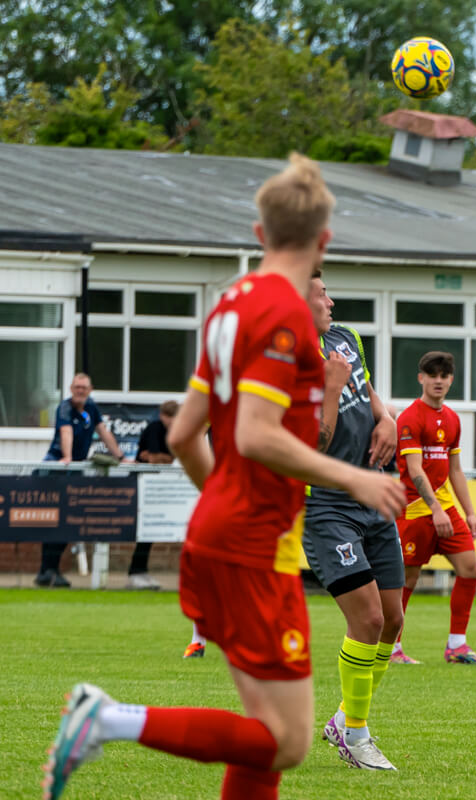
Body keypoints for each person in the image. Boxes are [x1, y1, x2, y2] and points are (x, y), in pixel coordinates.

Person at [44, 153, 407, 800]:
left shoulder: (228, 306)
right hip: (253, 545)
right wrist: (351, 481)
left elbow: (186, 433)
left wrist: (225, 499)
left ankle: (106, 719)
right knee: (287, 740)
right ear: (324, 240)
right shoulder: (285, 316)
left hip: (224, 531)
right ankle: (107, 719)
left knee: (267, 738)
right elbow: (254, 436)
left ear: (259, 233)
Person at [301, 275, 404, 770]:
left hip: (373, 489)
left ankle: (344, 717)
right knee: (367, 620)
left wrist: (387, 420)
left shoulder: (346, 338)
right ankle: (356, 736)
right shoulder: (287, 365)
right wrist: (328, 389)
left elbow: (369, 395)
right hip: (327, 503)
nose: (331, 300)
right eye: (321, 294)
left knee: (394, 620)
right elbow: (308, 449)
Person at [390, 351, 476, 666]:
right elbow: (415, 470)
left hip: (443, 508)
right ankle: (392, 649)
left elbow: (456, 470)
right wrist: (434, 509)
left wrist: (470, 511)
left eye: (444, 375)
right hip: (415, 511)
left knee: (470, 568)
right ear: (421, 378)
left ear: (451, 380)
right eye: (432, 375)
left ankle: (457, 646)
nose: (438, 381)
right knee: (407, 579)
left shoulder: (452, 418)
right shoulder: (409, 418)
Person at [36, 373, 130, 588]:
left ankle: (50, 570)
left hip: (76, 468)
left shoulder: (91, 408)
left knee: (68, 521)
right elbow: (66, 431)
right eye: (76, 387)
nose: (80, 391)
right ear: (71, 388)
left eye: (84, 387)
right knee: (53, 519)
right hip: (59, 466)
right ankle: (46, 570)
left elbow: (103, 433)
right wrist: (68, 457)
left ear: (90, 389)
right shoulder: (65, 408)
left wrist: (121, 457)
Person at [126, 400, 180, 590]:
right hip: (142, 484)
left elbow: (172, 456)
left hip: (158, 486)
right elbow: (157, 459)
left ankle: (140, 570)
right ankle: (135, 572)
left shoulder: (176, 431)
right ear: (162, 416)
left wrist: (160, 458)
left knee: (150, 531)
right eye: (170, 418)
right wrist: (166, 458)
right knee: (142, 528)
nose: (173, 422)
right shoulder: (155, 429)